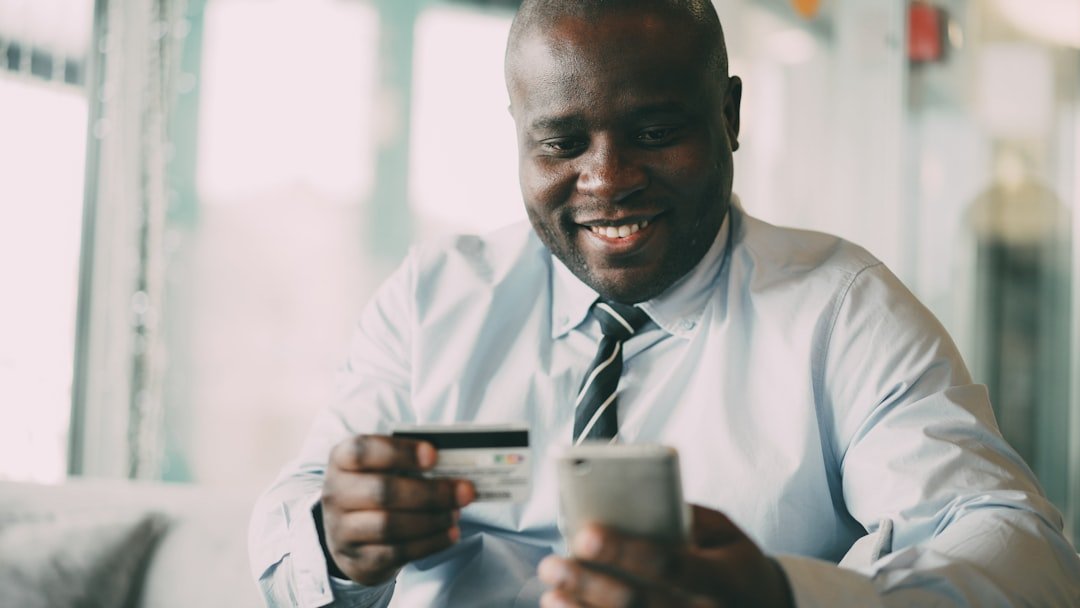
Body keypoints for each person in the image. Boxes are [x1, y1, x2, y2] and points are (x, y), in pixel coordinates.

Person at [249, 0, 1080, 606]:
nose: (607, 181)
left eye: (654, 132)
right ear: (519, 136)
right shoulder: (433, 300)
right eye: (563, 142)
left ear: (729, 115)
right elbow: (290, 532)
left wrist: (783, 597)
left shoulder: (842, 309)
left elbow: (1017, 550)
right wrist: (336, 540)